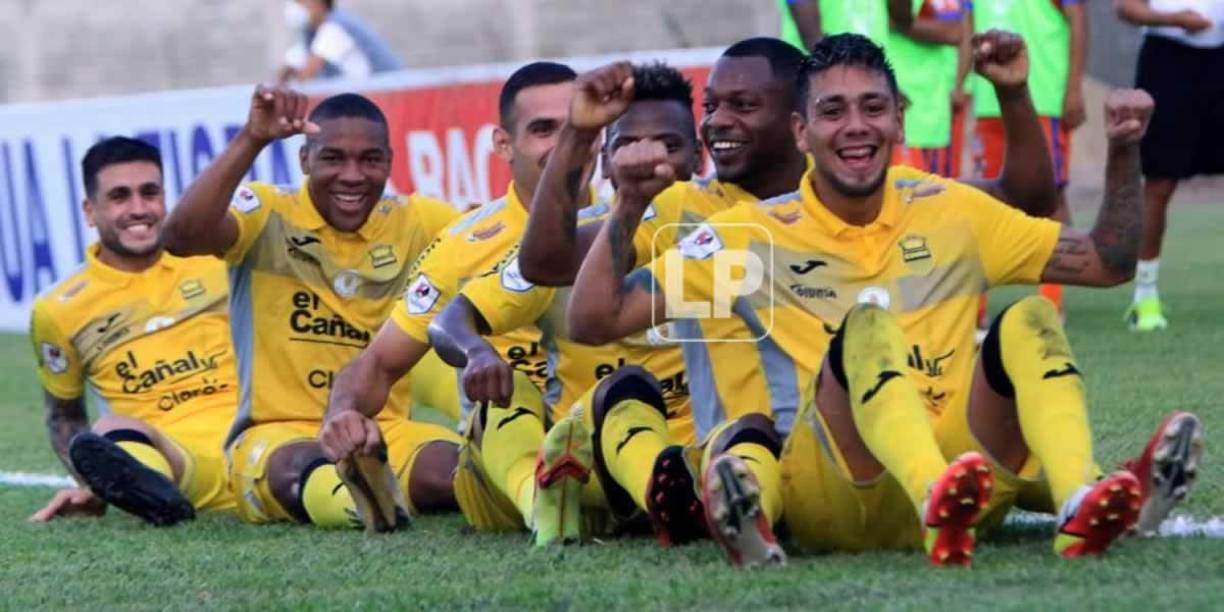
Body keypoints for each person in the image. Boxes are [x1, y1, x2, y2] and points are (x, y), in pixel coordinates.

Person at [567, 33, 1200, 567]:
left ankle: (1077, 498)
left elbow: (1109, 262)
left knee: (1030, 318)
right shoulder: (748, 239)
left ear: (899, 118)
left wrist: (1123, 149)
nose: (856, 127)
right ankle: (933, 494)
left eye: (873, 107)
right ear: (802, 131)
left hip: (967, 480)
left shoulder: (949, 208)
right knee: (867, 329)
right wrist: (626, 204)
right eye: (834, 111)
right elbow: (596, 318)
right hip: (837, 492)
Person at [425, 62, 702, 547]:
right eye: (628, 146)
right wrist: (478, 352)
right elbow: (453, 316)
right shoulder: (572, 244)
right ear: (607, 158)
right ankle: (542, 500)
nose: (648, 159)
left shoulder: (727, 231)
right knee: (519, 396)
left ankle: (655, 494)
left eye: (669, 146)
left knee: (639, 402)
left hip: (688, 453)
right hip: (578, 457)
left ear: (699, 158)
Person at [160, 87, 461, 532]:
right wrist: (252, 138)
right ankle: (361, 503)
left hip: (384, 430)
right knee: (299, 469)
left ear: (390, 161)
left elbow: (502, 250)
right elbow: (180, 237)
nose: (352, 175)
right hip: (277, 433)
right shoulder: (267, 213)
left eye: (370, 160)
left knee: (454, 472)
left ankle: (382, 484)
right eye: (334, 158)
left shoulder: (420, 221)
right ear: (304, 161)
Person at [316, 62, 589, 543]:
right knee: (509, 397)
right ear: (503, 144)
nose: (563, 145)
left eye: (575, 127)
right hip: (501, 461)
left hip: (603, 432)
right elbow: (378, 363)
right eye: (543, 130)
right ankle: (542, 501)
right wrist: (343, 413)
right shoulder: (463, 245)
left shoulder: (639, 222)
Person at [29, 137, 237, 526]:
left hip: (257, 444)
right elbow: (64, 419)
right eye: (120, 197)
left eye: (150, 193)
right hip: (174, 465)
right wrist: (96, 485)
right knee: (110, 428)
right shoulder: (59, 308)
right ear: (90, 212)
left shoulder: (218, 260)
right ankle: (153, 496)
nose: (139, 209)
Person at [972, 0, 1089, 317]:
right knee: (980, 201)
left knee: (1051, 196)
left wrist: (1074, 88)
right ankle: (975, 311)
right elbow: (967, 27)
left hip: (1042, 98)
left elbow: (1077, 19)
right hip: (987, 103)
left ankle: (1051, 303)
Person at [1114, 0, 1224, 331]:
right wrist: (1174, 19)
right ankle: (1145, 297)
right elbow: (1126, 8)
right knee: (1160, 181)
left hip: (1220, 56)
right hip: (1168, 59)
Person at [278, 0, 403, 84]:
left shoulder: (336, 27)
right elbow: (286, 69)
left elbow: (307, 75)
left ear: (319, 3)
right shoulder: (311, 34)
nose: (295, 6)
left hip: (386, 92)